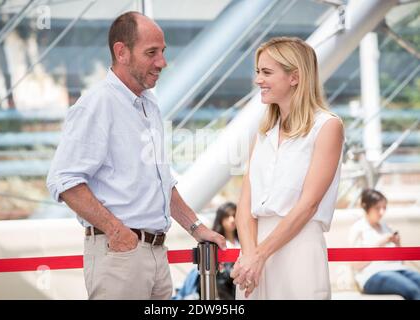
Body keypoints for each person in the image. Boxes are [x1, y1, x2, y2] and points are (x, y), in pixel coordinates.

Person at [46, 11, 226, 300]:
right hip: (120, 256)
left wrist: (197, 227)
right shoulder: (97, 104)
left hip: (155, 254)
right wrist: (117, 232)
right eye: (151, 53)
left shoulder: (149, 104)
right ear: (122, 52)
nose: (162, 62)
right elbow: (64, 181)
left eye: (163, 52)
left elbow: (161, 182)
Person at [230, 36, 344, 300]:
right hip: (254, 253)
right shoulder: (263, 133)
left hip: (299, 250)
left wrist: (258, 254)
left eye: (267, 72)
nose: (258, 80)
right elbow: (244, 205)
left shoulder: (327, 126)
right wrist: (249, 255)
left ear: (295, 77)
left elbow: (308, 205)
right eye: (258, 72)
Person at [349, 189, 420, 300]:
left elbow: (400, 261)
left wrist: (397, 244)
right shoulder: (358, 229)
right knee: (412, 290)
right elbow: (355, 264)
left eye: (384, 208)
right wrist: (380, 243)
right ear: (366, 207)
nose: (382, 212)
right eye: (377, 208)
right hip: (372, 275)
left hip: (397, 269)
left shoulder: (386, 227)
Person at [173, 202, 239, 300]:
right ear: (220, 219)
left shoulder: (243, 240)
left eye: (234, 215)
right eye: (227, 216)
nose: (232, 220)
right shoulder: (214, 243)